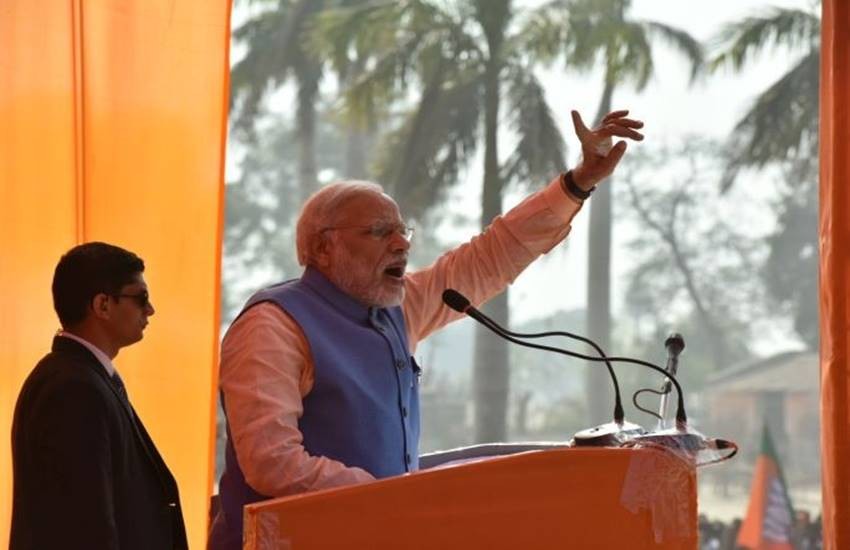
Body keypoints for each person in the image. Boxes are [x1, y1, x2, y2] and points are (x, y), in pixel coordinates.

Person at [208, 109, 644, 549]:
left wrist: (577, 183)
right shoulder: (272, 327)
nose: (402, 244)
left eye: (403, 231)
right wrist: (392, 497)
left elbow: (491, 256)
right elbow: (272, 462)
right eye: (380, 232)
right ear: (324, 247)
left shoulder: (397, 308)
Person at [10, 242, 188, 550]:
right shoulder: (73, 389)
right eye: (140, 298)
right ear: (102, 305)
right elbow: (84, 523)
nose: (150, 310)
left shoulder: (81, 378)